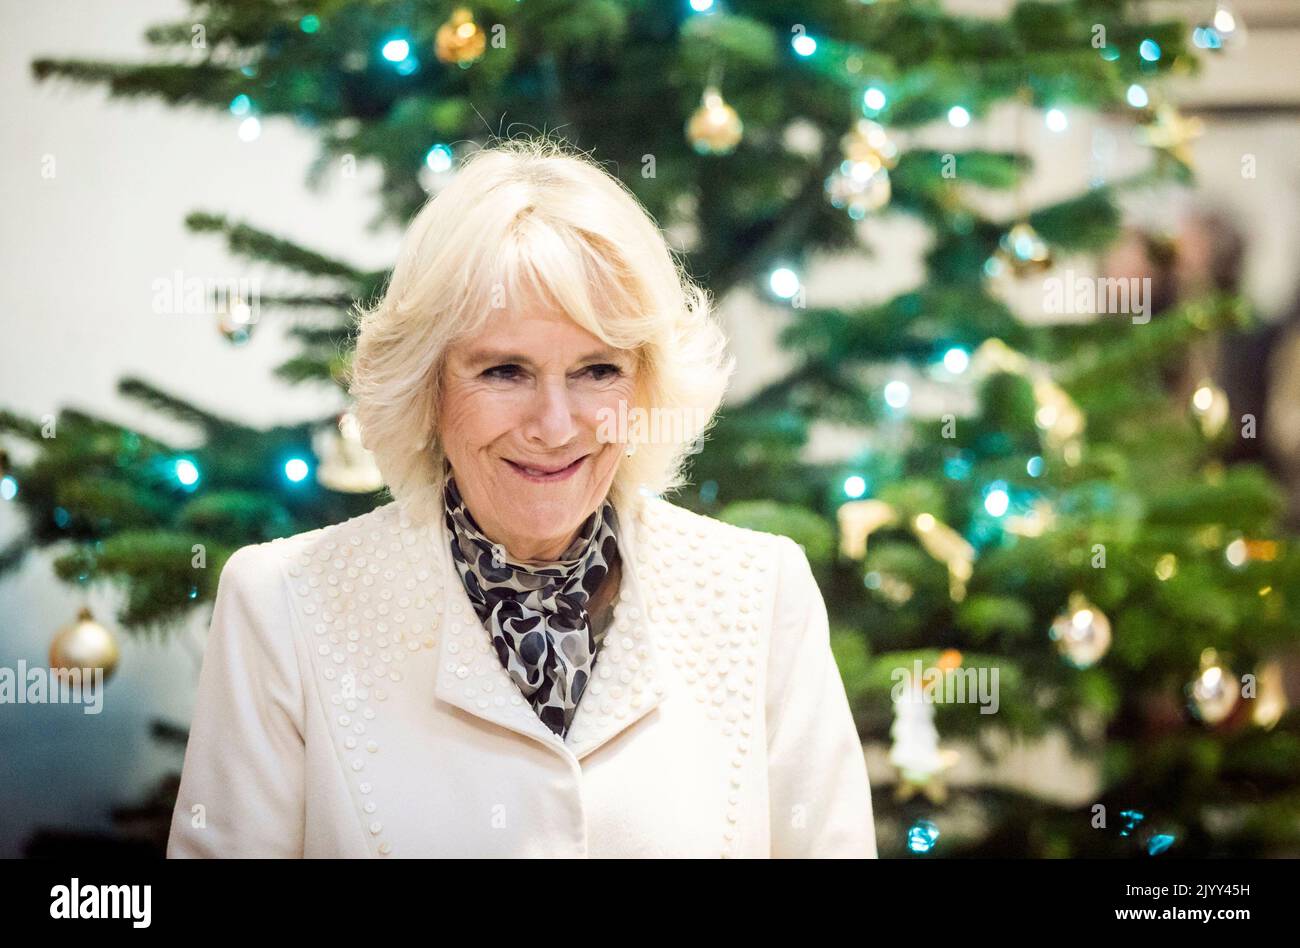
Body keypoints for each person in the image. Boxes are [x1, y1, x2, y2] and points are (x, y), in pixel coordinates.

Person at [166, 137, 877, 858]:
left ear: (646, 387)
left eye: (598, 370)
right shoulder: (281, 604)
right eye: (505, 371)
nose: (556, 425)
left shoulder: (761, 593)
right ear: (430, 387)